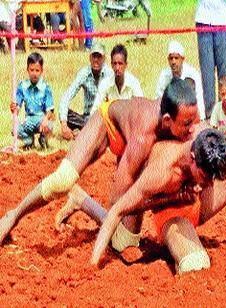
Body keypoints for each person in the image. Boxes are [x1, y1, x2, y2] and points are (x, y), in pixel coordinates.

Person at [55, 128, 226, 271]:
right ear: (192, 159)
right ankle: (83, 201)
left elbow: (217, 156)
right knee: (190, 261)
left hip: (194, 198)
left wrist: (206, 180)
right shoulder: (161, 174)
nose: (211, 184)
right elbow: (119, 210)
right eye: (206, 177)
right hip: (172, 212)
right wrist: (92, 265)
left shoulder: (202, 140)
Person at [0, 78, 200, 255]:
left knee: (125, 242)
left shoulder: (179, 121)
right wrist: (170, 197)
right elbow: (116, 202)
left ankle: (81, 200)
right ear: (167, 120)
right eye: (187, 124)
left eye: (195, 121)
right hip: (108, 125)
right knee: (63, 179)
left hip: (134, 145)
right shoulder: (142, 137)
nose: (192, 130)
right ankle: (13, 215)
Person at [59, 42, 113, 140]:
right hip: (87, 117)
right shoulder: (84, 73)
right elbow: (66, 97)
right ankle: (87, 131)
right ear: (89, 58)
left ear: (104, 58)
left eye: (99, 57)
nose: (96, 60)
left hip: (104, 117)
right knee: (66, 114)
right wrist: (63, 123)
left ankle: (83, 133)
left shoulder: (110, 74)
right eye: (94, 56)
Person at [195, 0, 226, 119]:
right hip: (204, 18)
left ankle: (225, 116)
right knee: (207, 75)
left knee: (224, 74)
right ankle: (210, 118)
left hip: (224, 19)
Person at [10, 52, 54, 150]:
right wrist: (14, 108)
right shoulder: (22, 86)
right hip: (29, 120)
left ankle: (43, 140)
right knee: (14, 129)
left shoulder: (45, 87)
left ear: (41, 71)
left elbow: (50, 110)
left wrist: (46, 120)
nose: (34, 73)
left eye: (37, 70)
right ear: (27, 70)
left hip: (41, 120)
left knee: (50, 126)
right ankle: (29, 141)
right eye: (32, 70)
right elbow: (17, 107)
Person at [155, 40, 206, 121]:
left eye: (176, 58)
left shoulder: (192, 74)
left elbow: (199, 97)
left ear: (182, 59)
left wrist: (202, 118)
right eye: (171, 58)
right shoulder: (164, 76)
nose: (173, 62)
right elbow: (158, 99)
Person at [90, 44, 143, 114]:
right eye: (115, 64)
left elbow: (141, 109)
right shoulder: (105, 84)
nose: (117, 68)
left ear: (126, 64)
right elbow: (94, 111)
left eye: (120, 63)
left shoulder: (133, 83)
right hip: (111, 123)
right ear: (111, 65)